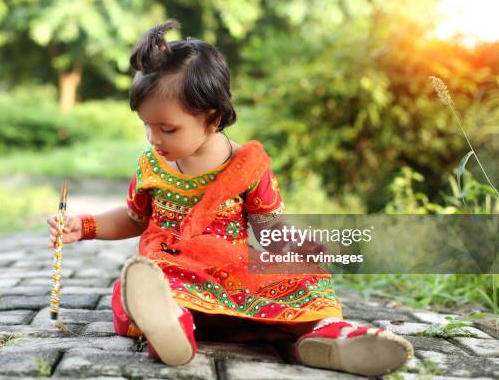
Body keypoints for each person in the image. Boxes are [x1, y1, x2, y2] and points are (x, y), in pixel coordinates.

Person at [47, 19, 413, 376]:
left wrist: (297, 246)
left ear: (212, 118)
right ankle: (171, 328)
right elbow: (135, 218)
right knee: (139, 283)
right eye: (147, 125)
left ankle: (330, 337)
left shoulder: (248, 166)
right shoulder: (151, 165)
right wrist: (87, 225)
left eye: (168, 128)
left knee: (308, 276)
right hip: (174, 272)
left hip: (233, 275)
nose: (154, 139)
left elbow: (271, 229)